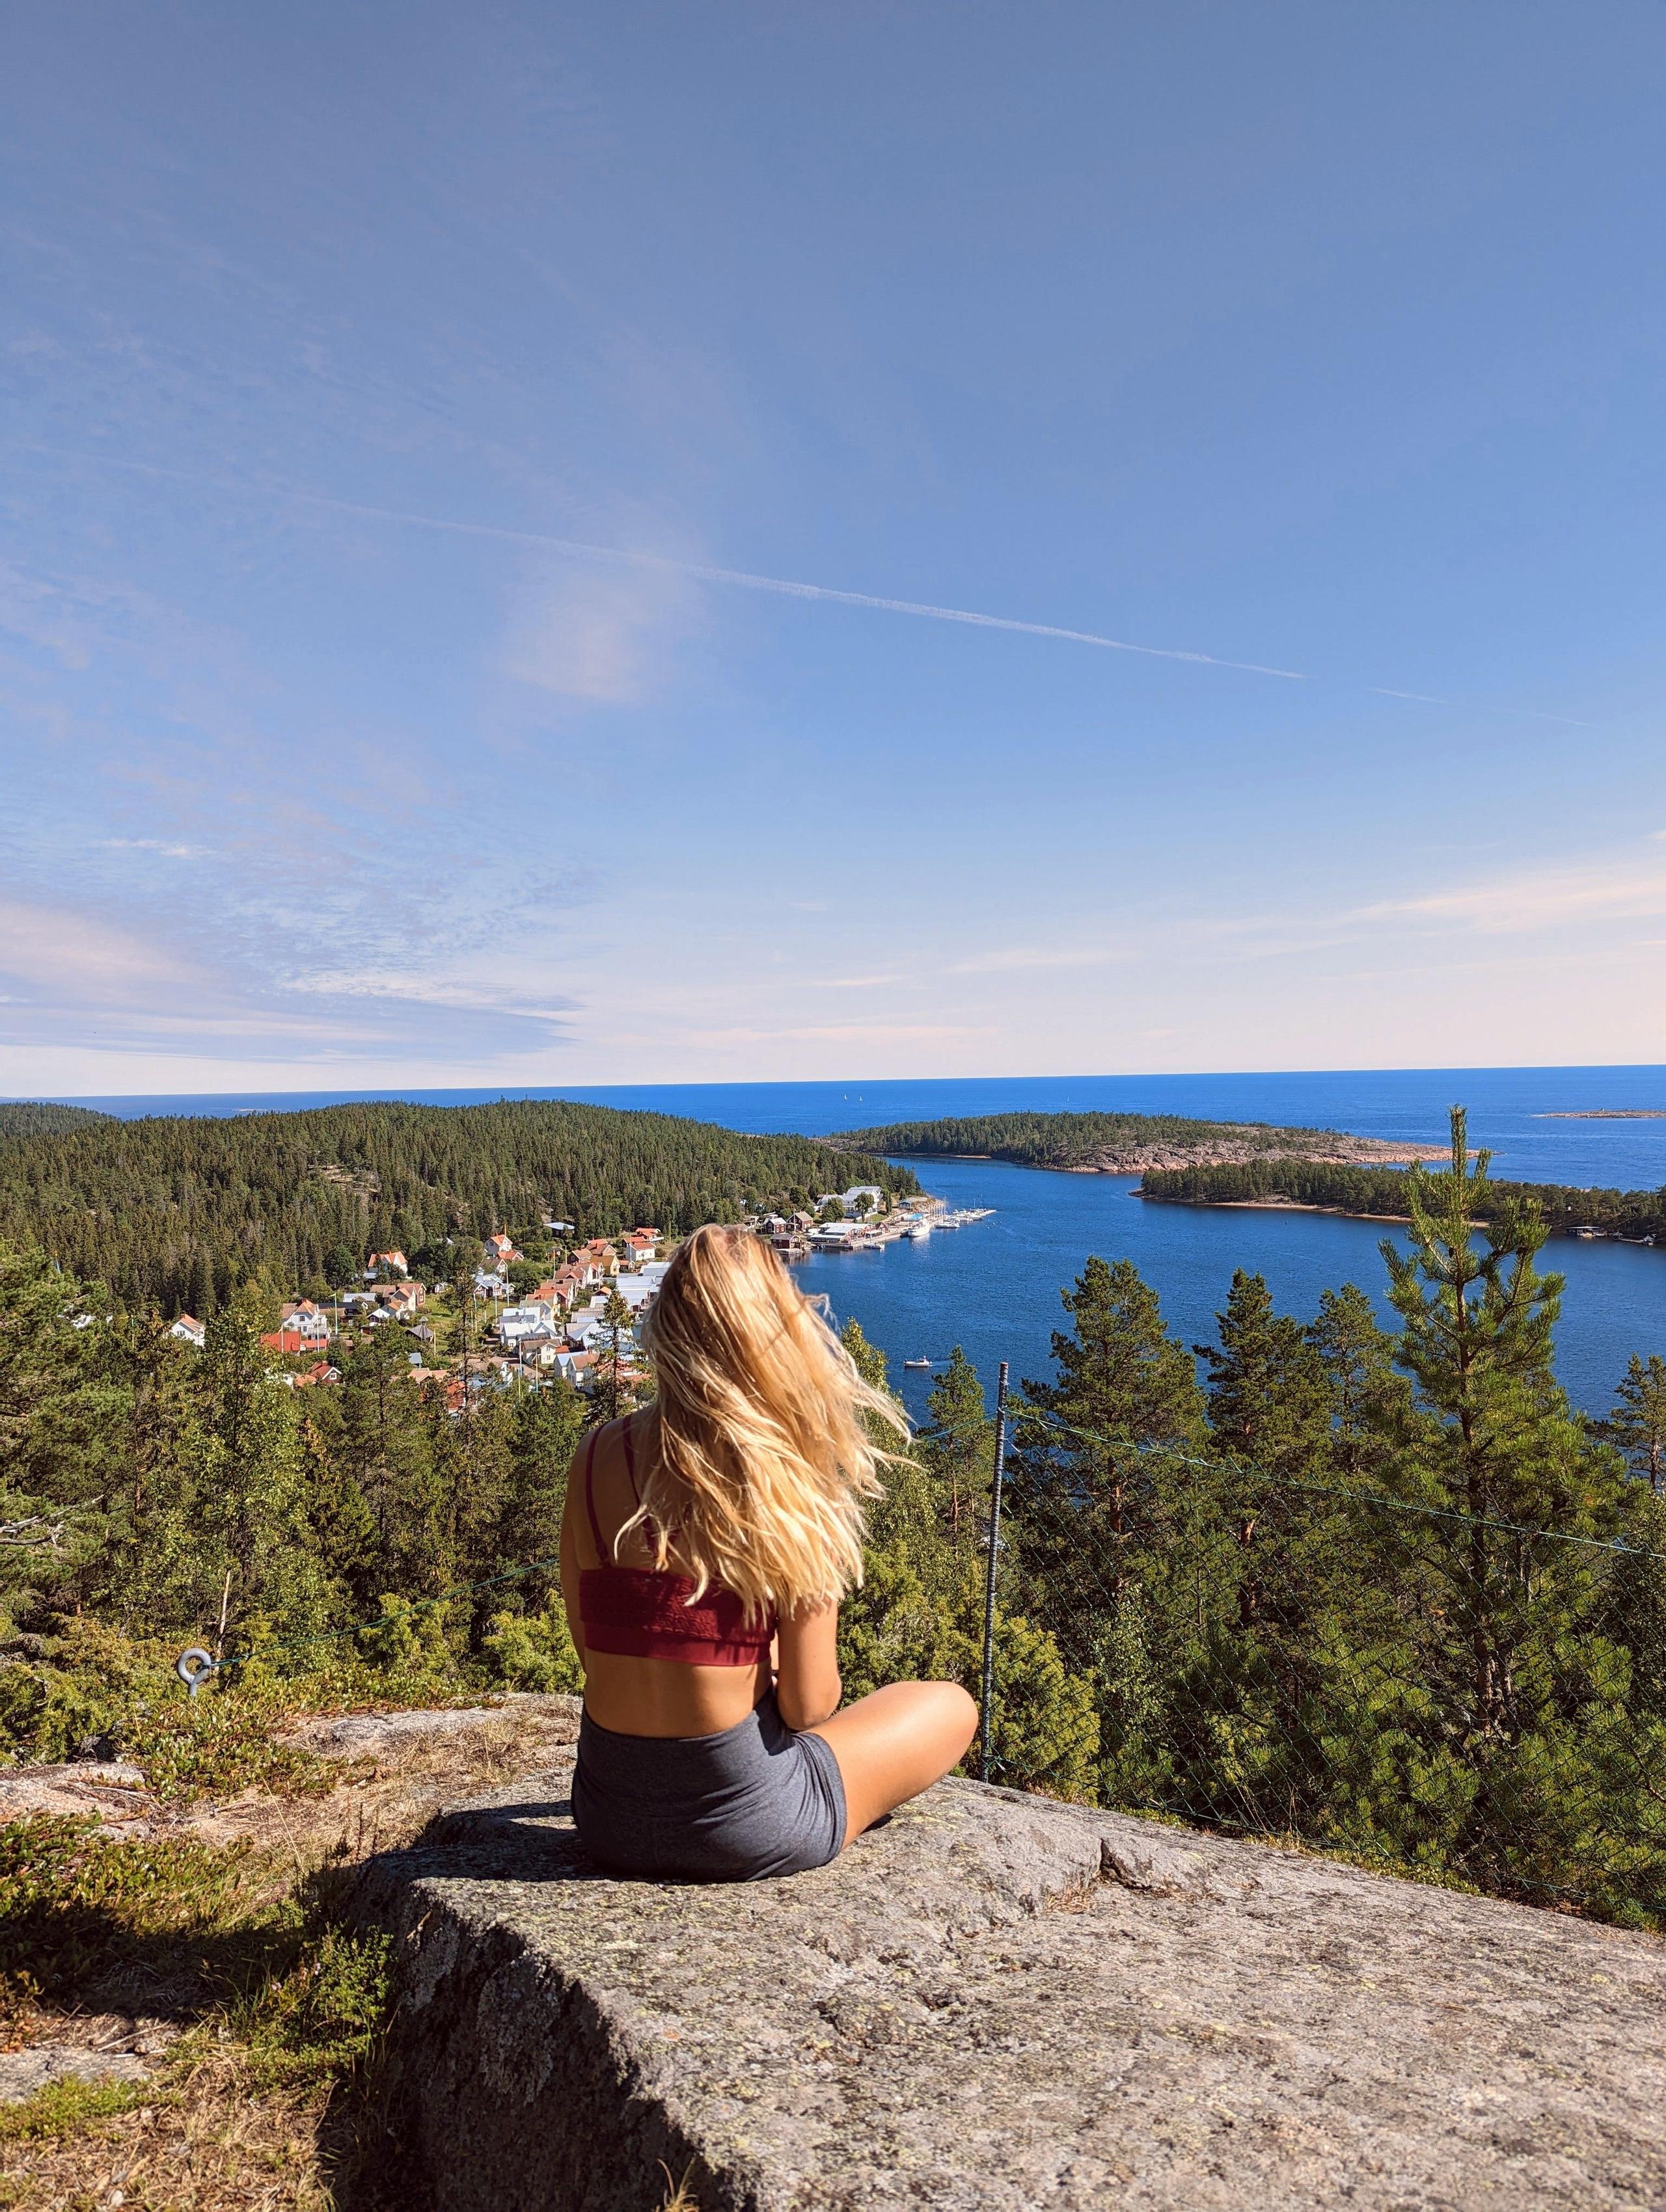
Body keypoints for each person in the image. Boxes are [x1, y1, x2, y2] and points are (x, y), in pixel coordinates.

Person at [562, 1224, 977, 1881]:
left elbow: (596, 1648)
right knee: (952, 1705)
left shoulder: (595, 1454)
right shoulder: (787, 1477)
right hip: (746, 1824)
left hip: (606, 1816)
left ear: (667, 1329)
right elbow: (809, 1708)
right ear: (774, 1340)